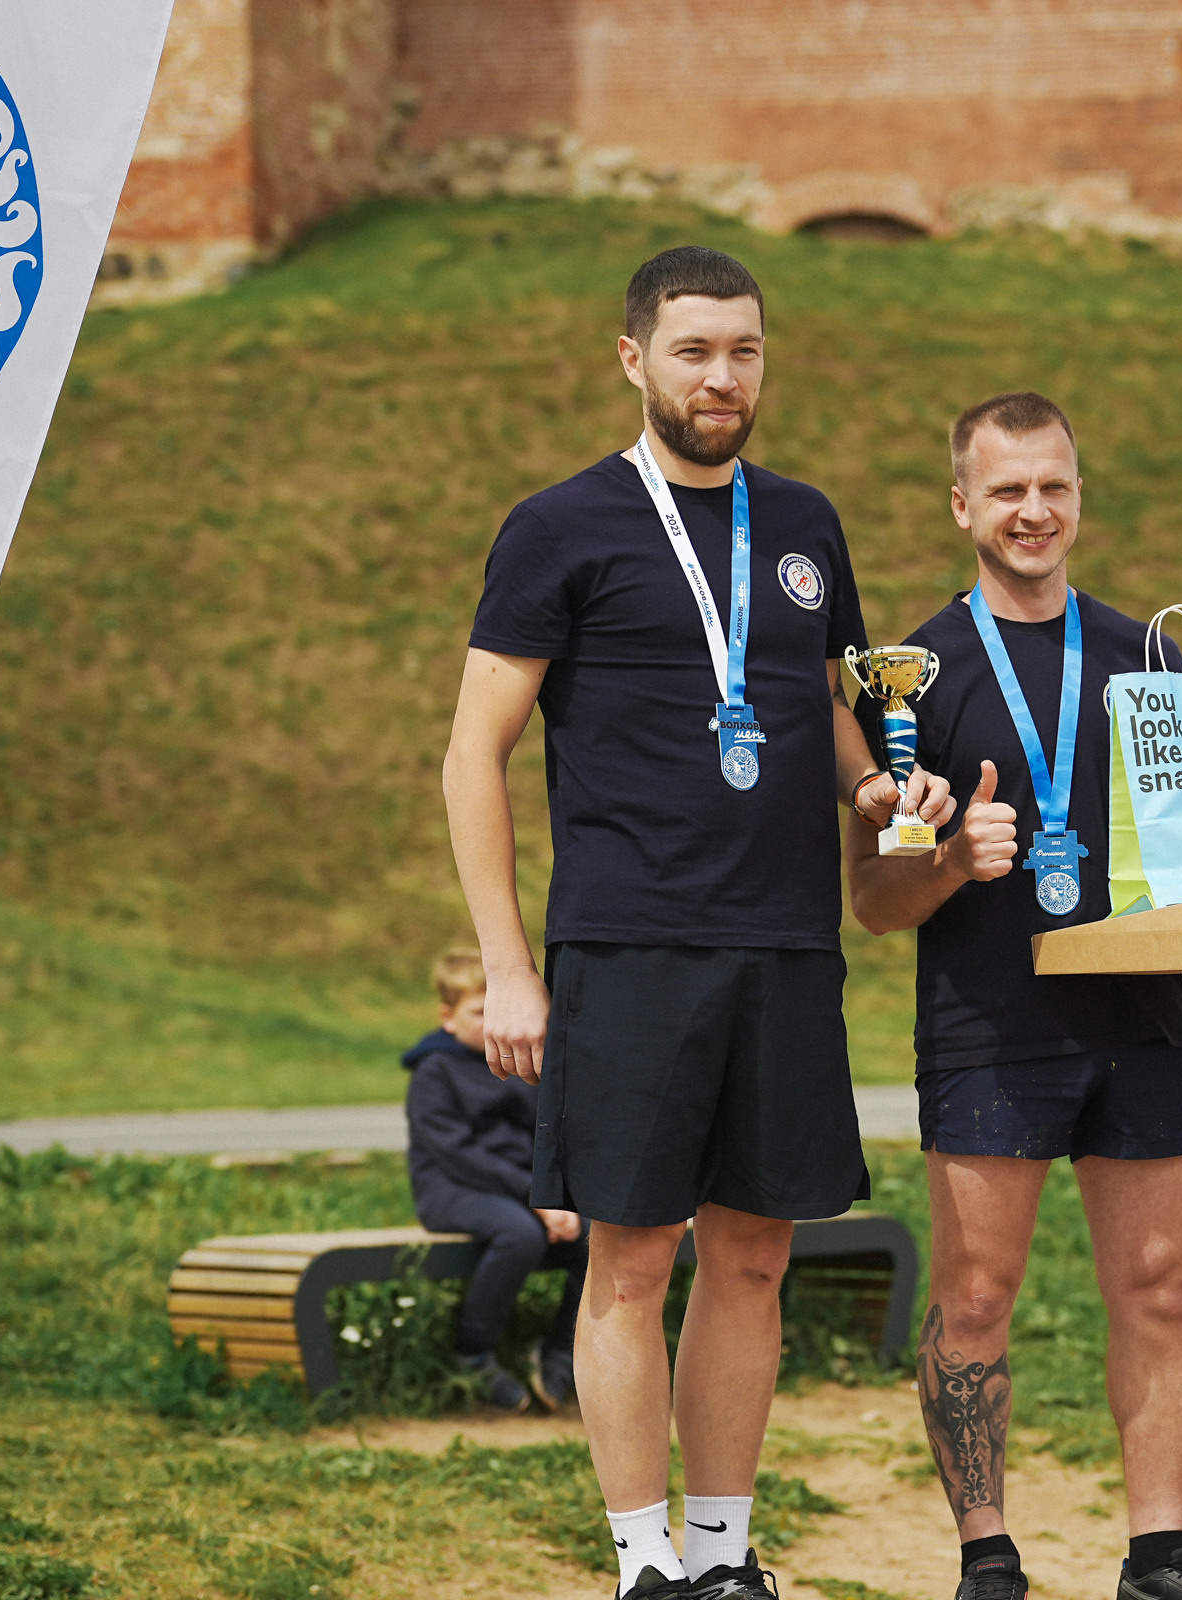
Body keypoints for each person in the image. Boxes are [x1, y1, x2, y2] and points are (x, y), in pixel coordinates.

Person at [441, 245, 952, 1600]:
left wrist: (875, 784)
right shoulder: (559, 527)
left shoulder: (804, 525)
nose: (721, 377)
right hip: (629, 941)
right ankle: (642, 1563)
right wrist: (508, 968)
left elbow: (833, 701)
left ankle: (725, 1553)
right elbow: (470, 753)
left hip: (786, 941)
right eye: (693, 351)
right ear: (633, 359)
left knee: (757, 1254)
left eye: (743, 351)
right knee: (631, 1258)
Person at [846, 391, 1182, 1600]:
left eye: (1054, 486)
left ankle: (1159, 1556)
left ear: (1081, 496)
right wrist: (954, 861)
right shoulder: (910, 677)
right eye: (1008, 489)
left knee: (1161, 1288)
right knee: (973, 1296)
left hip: (1141, 1022)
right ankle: (987, 1554)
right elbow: (872, 898)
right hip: (987, 1026)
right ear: (963, 502)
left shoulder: (1147, 656)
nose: (1034, 511)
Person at [402, 951, 588, 1411]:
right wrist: (538, 1201)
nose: (490, 1024)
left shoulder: (519, 1064)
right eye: (478, 1012)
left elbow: (548, 1136)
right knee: (519, 1234)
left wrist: (559, 1195)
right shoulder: (434, 1073)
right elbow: (460, 1156)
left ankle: (564, 1350)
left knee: (596, 1237)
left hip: (521, 1187)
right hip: (452, 1189)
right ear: (447, 1017)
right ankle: (473, 1353)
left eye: (496, 1010)